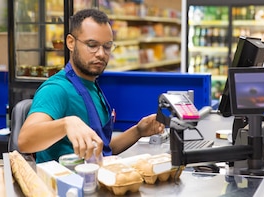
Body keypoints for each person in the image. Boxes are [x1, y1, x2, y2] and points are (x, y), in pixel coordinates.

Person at [17, 8, 165, 163]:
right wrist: (66, 124)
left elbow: (103, 150)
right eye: (92, 45)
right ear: (71, 43)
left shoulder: (91, 86)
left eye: (107, 46)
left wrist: (138, 131)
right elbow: (25, 141)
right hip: (64, 185)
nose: (101, 53)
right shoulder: (57, 89)